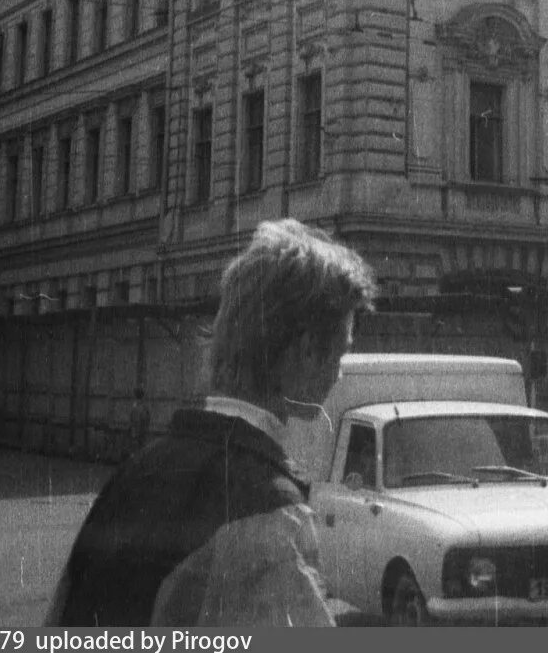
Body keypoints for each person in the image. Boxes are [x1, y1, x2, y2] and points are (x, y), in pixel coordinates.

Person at [45, 219, 377, 625]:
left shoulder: (132, 475)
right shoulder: (268, 509)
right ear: (307, 349)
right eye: (340, 353)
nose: (339, 372)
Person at [128, 387, 152, 455]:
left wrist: (134, 434)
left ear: (135, 395)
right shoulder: (145, 407)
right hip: (144, 431)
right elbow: (148, 419)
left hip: (137, 433)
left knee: (136, 452)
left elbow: (134, 421)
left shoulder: (135, 407)